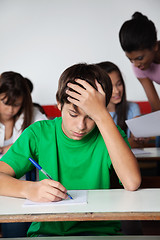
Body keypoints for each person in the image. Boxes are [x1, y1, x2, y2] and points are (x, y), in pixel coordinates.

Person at [0, 63, 141, 237]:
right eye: (73, 114)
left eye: (91, 117)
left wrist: (102, 116)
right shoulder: (39, 134)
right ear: (59, 103)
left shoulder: (110, 134)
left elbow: (132, 182)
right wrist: (29, 189)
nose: (81, 126)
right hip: (48, 232)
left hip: (99, 232)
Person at [0, 71, 48, 237]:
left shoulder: (33, 114)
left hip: (23, 187)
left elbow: (47, 134)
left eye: (17, 104)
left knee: (17, 229)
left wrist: (15, 148)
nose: (11, 110)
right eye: (5, 103)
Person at [96, 61, 149, 148]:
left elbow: (136, 143)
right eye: (110, 87)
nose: (117, 91)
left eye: (119, 84)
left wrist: (140, 138)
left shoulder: (133, 108)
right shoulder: (94, 113)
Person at [119, 11, 160, 112]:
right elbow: (156, 108)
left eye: (140, 58)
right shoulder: (139, 67)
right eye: (130, 59)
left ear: (155, 46)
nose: (136, 64)